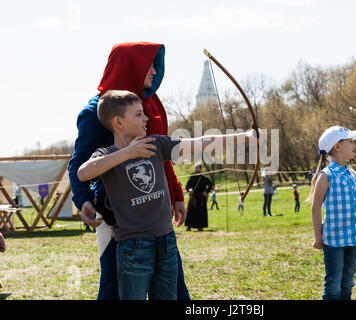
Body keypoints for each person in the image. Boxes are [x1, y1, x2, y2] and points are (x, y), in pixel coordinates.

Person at [77, 90, 259, 299]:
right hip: (133, 246)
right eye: (138, 114)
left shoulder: (156, 144)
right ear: (119, 123)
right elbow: (84, 172)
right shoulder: (106, 155)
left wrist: (244, 136)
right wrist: (128, 153)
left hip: (166, 239)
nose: (145, 118)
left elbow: (200, 142)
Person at [67, 42, 190, 300]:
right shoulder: (96, 112)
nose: (155, 72)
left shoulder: (149, 104)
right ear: (132, 67)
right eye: (149, 66)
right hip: (118, 219)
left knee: (175, 291)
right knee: (114, 291)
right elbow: (79, 163)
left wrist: (176, 193)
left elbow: (160, 155)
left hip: (155, 220)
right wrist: (83, 199)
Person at [307, 126, 356, 300]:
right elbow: (315, 208)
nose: (354, 145)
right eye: (351, 142)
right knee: (333, 284)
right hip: (334, 241)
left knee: (347, 283)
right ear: (338, 147)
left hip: (353, 240)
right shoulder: (327, 176)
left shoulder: (353, 175)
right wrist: (318, 238)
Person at [185, 163, 213, 232]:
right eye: (195, 168)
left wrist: (206, 191)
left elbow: (210, 185)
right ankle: (189, 226)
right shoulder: (191, 177)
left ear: (200, 169)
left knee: (200, 213)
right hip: (193, 197)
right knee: (190, 212)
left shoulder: (204, 178)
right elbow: (187, 186)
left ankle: (200, 227)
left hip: (201, 198)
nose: (195, 169)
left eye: (197, 168)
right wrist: (189, 189)